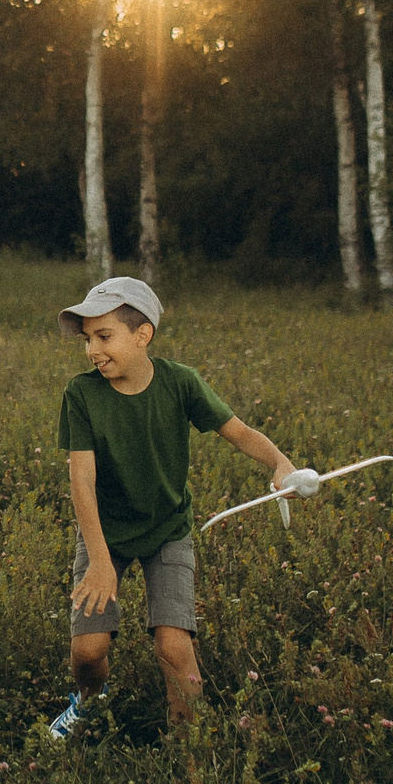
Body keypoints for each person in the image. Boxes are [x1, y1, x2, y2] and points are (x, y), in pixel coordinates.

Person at [47, 277, 296, 737]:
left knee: (174, 648)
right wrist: (100, 560)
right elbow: (81, 480)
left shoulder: (181, 383)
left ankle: (188, 751)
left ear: (143, 335)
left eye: (104, 337)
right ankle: (87, 703)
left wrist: (280, 462)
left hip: (167, 529)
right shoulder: (82, 394)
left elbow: (239, 432)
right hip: (107, 534)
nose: (92, 351)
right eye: (87, 340)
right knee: (88, 651)